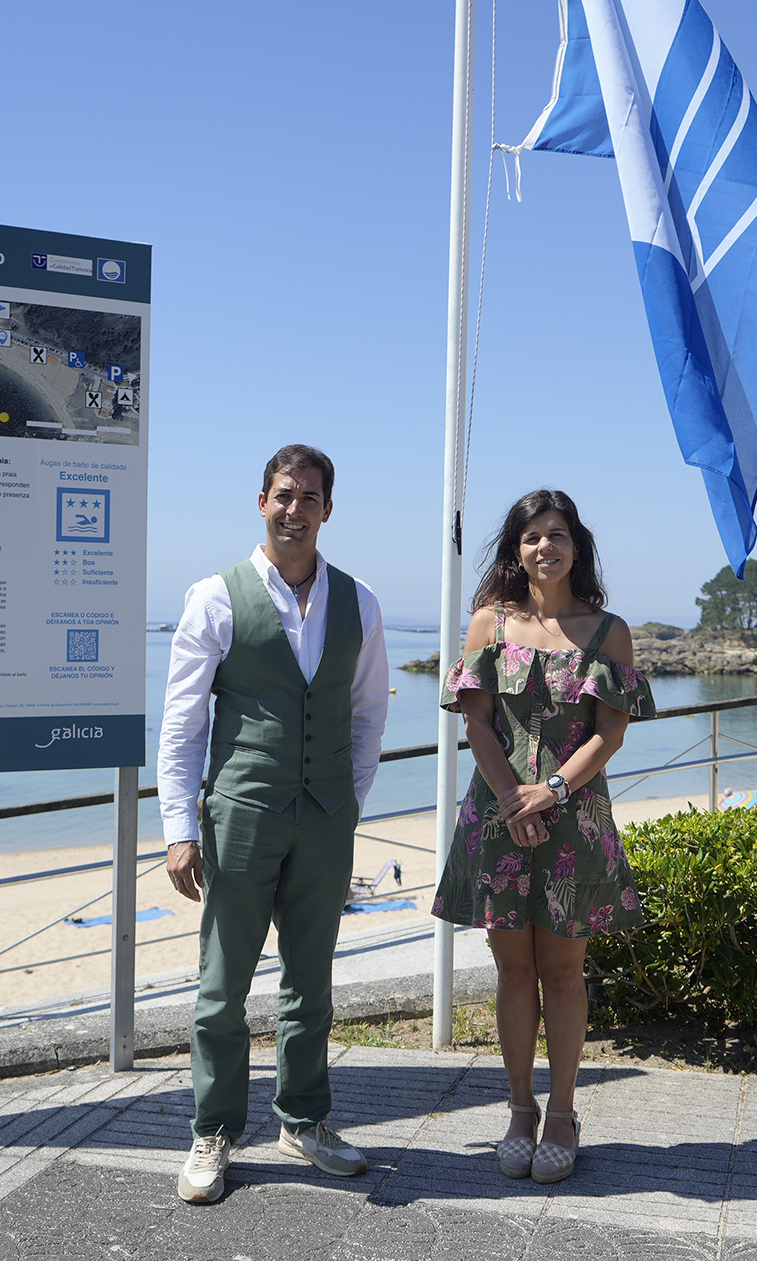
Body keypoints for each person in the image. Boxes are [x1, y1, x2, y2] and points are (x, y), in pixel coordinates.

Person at [158, 444, 389, 1204]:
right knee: (222, 985)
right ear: (262, 502)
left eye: (309, 497)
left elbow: (367, 714)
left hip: (326, 817)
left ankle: (304, 1120)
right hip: (243, 811)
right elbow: (183, 724)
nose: (295, 509)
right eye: (284, 495)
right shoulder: (214, 598)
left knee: (311, 981)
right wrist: (179, 827)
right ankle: (214, 1130)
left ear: (328, 509)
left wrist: (348, 802)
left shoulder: (360, 602)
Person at [430, 489, 654, 1184]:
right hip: (498, 818)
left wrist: (550, 790)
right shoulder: (489, 623)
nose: (544, 546)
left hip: (573, 819)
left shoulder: (607, 631)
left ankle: (562, 1113)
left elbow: (610, 734)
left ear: (576, 546)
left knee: (562, 970)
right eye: (531, 536)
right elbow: (476, 721)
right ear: (516, 550)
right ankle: (519, 1110)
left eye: (556, 534)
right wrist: (511, 798)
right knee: (512, 970)